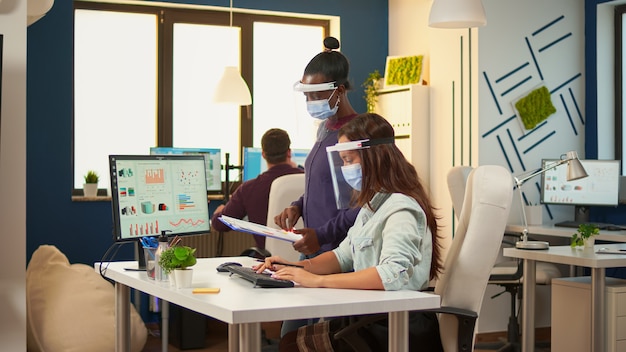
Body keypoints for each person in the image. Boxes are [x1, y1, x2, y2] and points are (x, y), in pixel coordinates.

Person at [257, 113, 445, 351]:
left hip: (396, 326)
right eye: (343, 161)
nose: (345, 168)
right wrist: (295, 268)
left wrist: (318, 282)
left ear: (374, 157)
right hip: (373, 319)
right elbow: (342, 256)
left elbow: (392, 274)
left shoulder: (401, 208)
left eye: (349, 160)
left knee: (291, 345)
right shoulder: (372, 207)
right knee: (290, 341)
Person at [274, 36, 362, 337]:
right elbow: (323, 183)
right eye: (307, 96)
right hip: (313, 249)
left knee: (318, 339)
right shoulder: (326, 130)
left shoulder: (358, 134)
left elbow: (365, 204)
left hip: (339, 254)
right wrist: (297, 205)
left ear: (338, 91)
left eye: (316, 95)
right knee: (291, 336)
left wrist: (322, 235)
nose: (311, 103)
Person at [211, 128, 303, 250]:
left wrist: (219, 212)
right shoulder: (307, 180)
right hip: (310, 261)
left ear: (263, 154)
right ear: (289, 152)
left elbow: (219, 225)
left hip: (269, 264)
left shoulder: (248, 189)